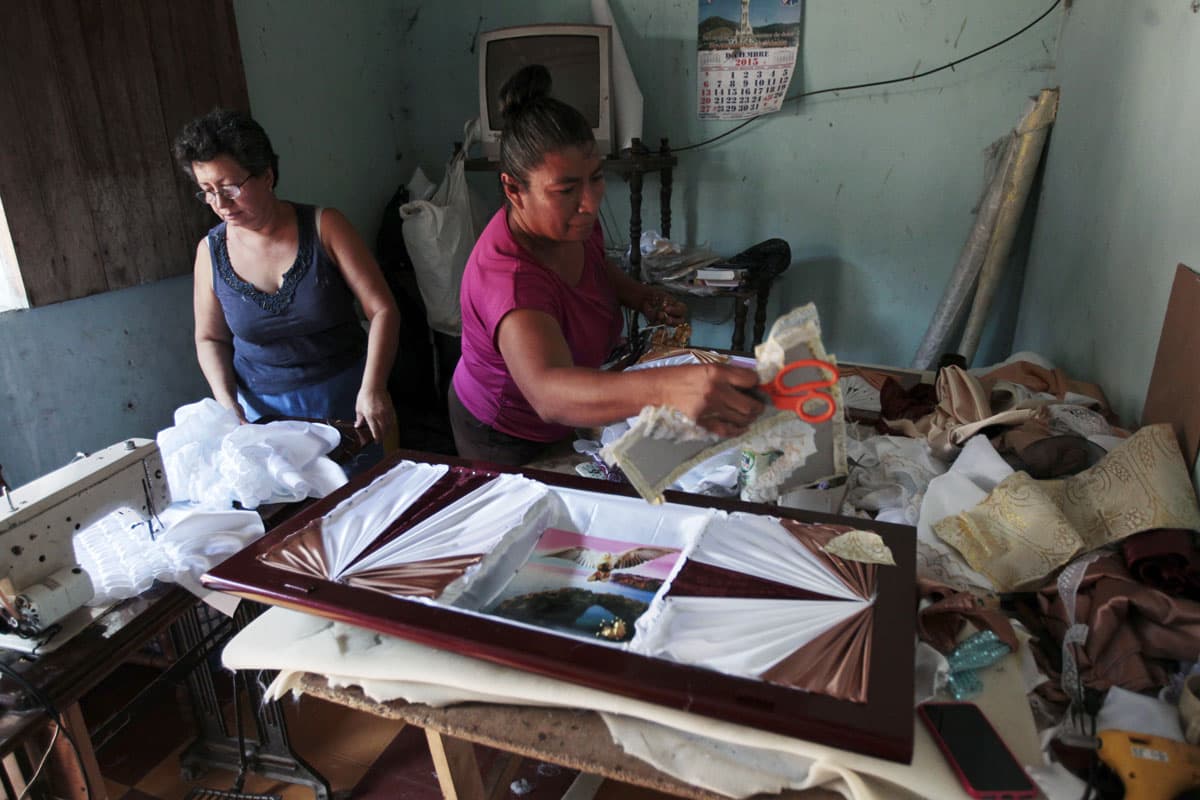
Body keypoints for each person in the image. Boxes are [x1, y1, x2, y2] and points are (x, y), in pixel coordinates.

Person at [450, 65, 764, 465]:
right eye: (566, 190)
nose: (590, 202)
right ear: (513, 188)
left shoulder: (571, 223)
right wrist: (669, 387)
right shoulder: (508, 279)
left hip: (569, 413)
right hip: (504, 434)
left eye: (595, 178)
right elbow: (549, 394)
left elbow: (594, 268)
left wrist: (640, 296)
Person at [173, 109, 400, 446]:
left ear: (266, 175)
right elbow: (210, 339)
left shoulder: (326, 228)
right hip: (263, 418)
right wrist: (227, 402)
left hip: (348, 402)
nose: (220, 203)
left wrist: (373, 388)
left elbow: (383, 310)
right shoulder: (210, 252)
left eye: (230, 188)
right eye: (206, 190)